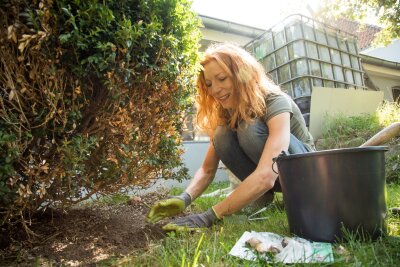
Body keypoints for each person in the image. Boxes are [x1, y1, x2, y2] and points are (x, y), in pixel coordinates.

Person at [147, 43, 315, 231]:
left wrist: (209, 216)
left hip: (305, 173)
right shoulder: (228, 112)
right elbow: (208, 169)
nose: (215, 90)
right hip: (272, 175)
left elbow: (268, 173)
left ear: (240, 75)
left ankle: (294, 194)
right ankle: (262, 196)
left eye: (222, 78)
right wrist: (184, 198)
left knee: (248, 129)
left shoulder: (275, 100)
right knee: (221, 136)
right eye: (209, 84)